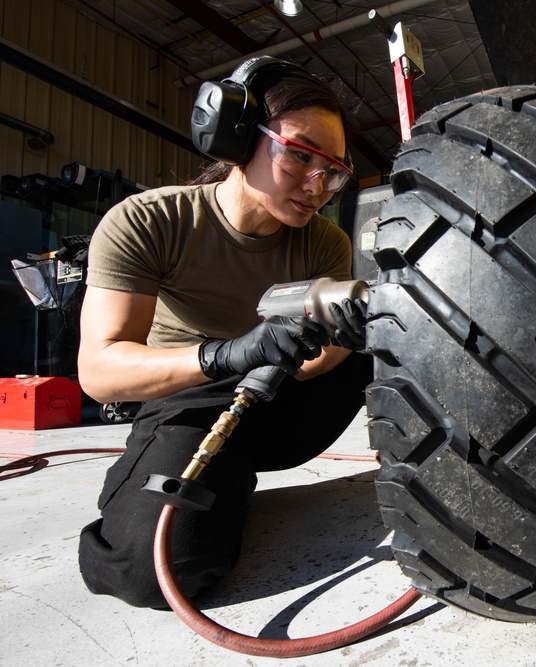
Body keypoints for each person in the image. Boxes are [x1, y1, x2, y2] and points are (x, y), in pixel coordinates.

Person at [77, 56, 371, 608]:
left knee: (388, 335)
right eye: (299, 155)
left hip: (284, 404)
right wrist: (227, 354)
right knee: (153, 572)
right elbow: (99, 372)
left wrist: (340, 342)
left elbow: (315, 364)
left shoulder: (324, 242)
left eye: (331, 171)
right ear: (237, 139)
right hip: (195, 401)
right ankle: (201, 482)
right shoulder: (150, 222)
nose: (317, 185)